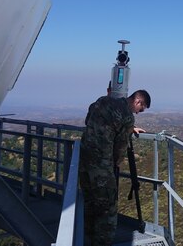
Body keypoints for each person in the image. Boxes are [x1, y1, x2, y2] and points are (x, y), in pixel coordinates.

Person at [79, 88, 151, 246]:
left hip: (84, 160)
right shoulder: (127, 117)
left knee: (89, 202)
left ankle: (87, 238)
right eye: (141, 108)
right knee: (108, 209)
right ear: (137, 101)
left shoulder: (102, 100)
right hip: (102, 166)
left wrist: (127, 127)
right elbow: (120, 148)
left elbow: (88, 120)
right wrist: (115, 164)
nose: (139, 112)